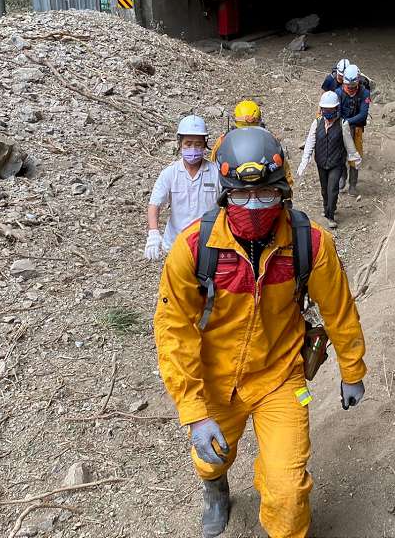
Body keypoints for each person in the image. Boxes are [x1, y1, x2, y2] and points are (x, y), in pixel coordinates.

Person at [154, 127, 367, 538]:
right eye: (240, 196)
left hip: (280, 375)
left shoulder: (310, 244)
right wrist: (195, 413)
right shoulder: (195, 248)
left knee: (288, 492)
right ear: (224, 193)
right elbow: (173, 330)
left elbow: (339, 309)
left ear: (283, 191)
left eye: (266, 195)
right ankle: (216, 490)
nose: (253, 206)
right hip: (216, 377)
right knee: (210, 458)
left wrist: (352, 370)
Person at [144, 115, 220, 260]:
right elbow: (154, 204)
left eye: (198, 144)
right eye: (188, 143)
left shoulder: (215, 172)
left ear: (205, 145)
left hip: (209, 243)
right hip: (175, 244)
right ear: (180, 144)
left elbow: (227, 205)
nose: (193, 148)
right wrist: (153, 233)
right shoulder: (170, 173)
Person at [296, 91, 361, 229]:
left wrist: (355, 159)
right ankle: (327, 208)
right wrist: (304, 163)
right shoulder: (317, 123)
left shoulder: (343, 124)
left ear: (336, 108)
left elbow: (349, 144)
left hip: (336, 164)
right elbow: (309, 143)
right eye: (325, 109)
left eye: (330, 109)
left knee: (332, 189)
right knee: (324, 190)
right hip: (321, 162)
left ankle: (330, 216)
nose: (328, 111)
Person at [211, 100, 294, 190]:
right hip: (235, 183)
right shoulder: (224, 141)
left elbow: (280, 163)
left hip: (263, 182)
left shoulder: (268, 139)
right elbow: (214, 166)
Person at [336, 64, 371, 197]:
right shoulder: (338, 93)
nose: (350, 90)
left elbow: (363, 114)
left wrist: (348, 122)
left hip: (356, 128)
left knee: (355, 156)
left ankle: (353, 184)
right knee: (340, 155)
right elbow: (337, 111)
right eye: (348, 87)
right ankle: (342, 177)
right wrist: (342, 124)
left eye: (352, 87)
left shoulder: (364, 93)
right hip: (341, 126)